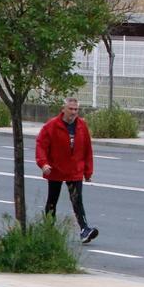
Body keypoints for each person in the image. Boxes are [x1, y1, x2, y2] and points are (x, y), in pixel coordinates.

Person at [36, 97, 98, 243]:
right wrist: (43, 164)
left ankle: (84, 229)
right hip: (55, 170)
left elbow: (87, 150)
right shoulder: (51, 126)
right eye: (70, 109)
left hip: (74, 171)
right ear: (63, 109)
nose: (73, 112)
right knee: (52, 200)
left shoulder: (82, 126)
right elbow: (41, 146)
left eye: (76, 109)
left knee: (77, 200)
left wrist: (88, 172)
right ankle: (49, 229)